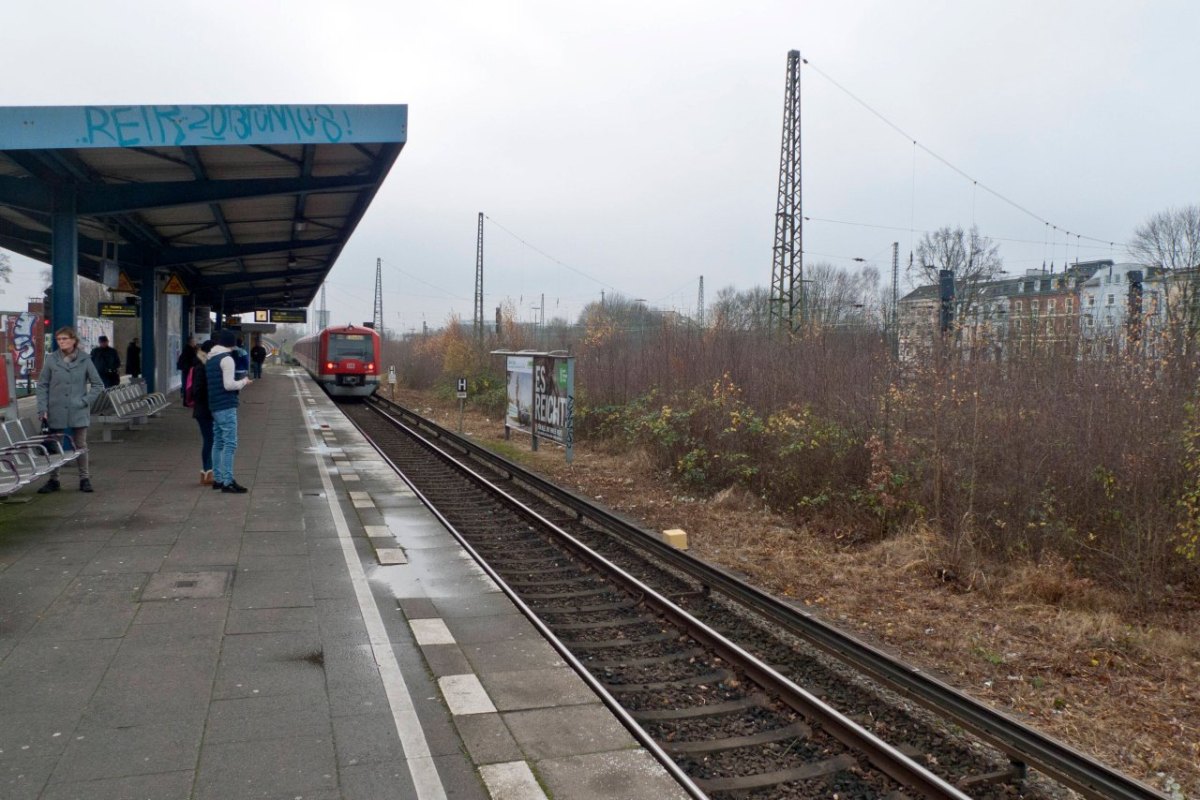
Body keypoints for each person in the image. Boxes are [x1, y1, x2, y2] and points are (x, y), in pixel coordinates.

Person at [35, 326, 104, 493]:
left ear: (74, 340)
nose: (62, 342)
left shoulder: (85, 359)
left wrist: (85, 401)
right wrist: (42, 408)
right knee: (55, 445)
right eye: (59, 339)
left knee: (80, 444)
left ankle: (84, 479)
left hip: (78, 409)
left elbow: (98, 385)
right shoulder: (51, 359)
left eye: (65, 339)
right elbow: (42, 384)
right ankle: (54, 480)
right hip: (55, 409)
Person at [206, 329, 252, 493]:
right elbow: (229, 385)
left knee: (218, 442)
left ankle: (218, 480)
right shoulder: (227, 359)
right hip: (226, 405)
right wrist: (244, 382)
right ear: (231, 344)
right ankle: (227, 481)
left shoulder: (211, 358)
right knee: (230, 444)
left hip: (215, 405)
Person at [188, 340, 215, 485]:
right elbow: (197, 391)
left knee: (211, 440)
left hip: (206, 409)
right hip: (204, 410)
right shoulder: (201, 367)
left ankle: (208, 472)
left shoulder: (204, 365)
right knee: (209, 440)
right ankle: (207, 472)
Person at [176, 337, 199, 401]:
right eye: (194, 341)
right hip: (188, 369)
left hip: (186, 368)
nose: (195, 343)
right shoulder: (189, 350)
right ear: (191, 342)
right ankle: (186, 395)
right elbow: (193, 360)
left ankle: (185, 394)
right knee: (187, 382)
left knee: (185, 381)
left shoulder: (188, 349)